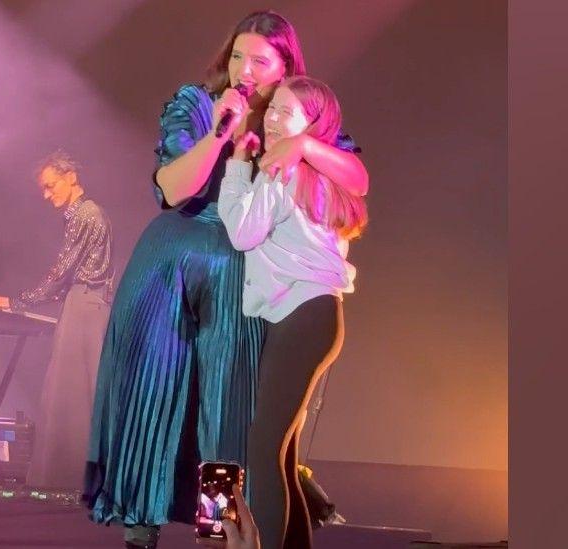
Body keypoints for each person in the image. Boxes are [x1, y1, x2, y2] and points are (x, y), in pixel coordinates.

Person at [82, 11, 368, 549]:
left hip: (241, 277)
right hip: (167, 270)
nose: (245, 69)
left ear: (285, 67)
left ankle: (222, 534)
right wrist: (219, 133)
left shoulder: (293, 117)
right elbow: (173, 189)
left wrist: (303, 146)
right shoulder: (198, 103)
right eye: (238, 55)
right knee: (153, 395)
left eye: (261, 60)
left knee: (227, 411)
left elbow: (355, 177)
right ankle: (139, 530)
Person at [218, 75, 367, 549]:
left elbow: (242, 232)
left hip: (304, 316)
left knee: (264, 450)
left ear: (312, 126)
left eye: (288, 112)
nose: (274, 118)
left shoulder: (283, 169)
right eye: (273, 108)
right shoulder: (319, 173)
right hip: (312, 317)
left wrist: (238, 165)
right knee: (280, 455)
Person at [0, 150, 113, 493]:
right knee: (68, 392)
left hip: (86, 307)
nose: (46, 194)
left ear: (70, 177)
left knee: (76, 393)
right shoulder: (79, 215)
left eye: (51, 186)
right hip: (80, 304)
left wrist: (16, 302)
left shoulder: (87, 213)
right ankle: (71, 479)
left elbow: (61, 271)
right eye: (43, 189)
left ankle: (77, 480)